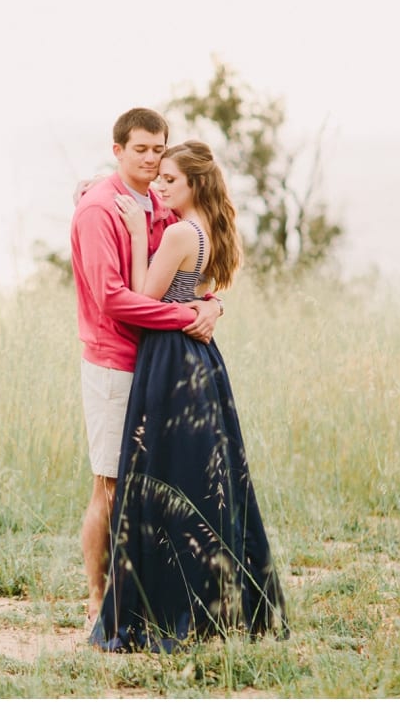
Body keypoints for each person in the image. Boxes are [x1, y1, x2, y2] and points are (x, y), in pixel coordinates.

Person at [89, 140, 289, 652]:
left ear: (194, 183)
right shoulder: (211, 231)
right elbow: (198, 292)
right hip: (199, 357)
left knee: (160, 476)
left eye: (170, 179)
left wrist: (136, 233)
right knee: (202, 480)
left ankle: (161, 606)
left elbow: (139, 295)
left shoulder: (179, 232)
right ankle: (212, 602)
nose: (160, 186)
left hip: (169, 357)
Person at [69, 108, 223, 625]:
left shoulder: (161, 202)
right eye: (141, 149)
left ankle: (140, 602)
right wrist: (184, 315)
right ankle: (96, 602)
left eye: (159, 149)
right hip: (116, 363)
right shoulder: (98, 210)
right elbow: (114, 299)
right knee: (109, 486)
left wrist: (212, 304)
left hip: (159, 366)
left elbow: (190, 267)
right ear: (118, 150)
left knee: (156, 486)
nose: (153, 159)